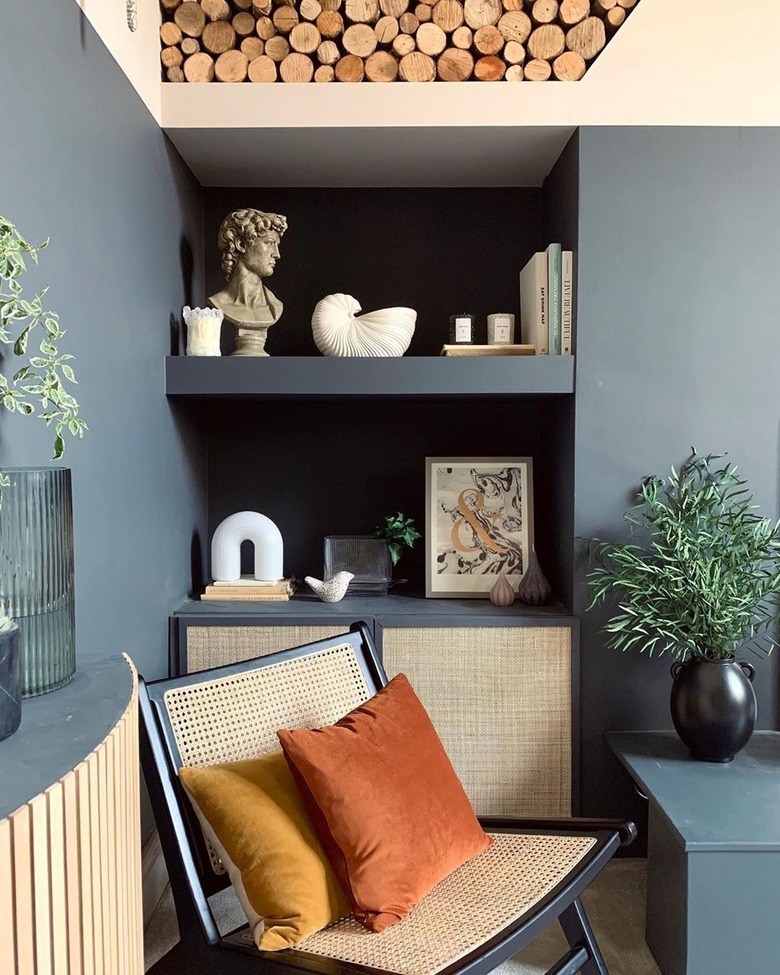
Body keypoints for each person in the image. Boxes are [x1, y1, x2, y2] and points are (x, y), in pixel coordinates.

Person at [209, 208, 288, 356]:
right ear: (241, 244)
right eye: (269, 243)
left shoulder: (274, 307)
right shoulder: (219, 303)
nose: (277, 254)